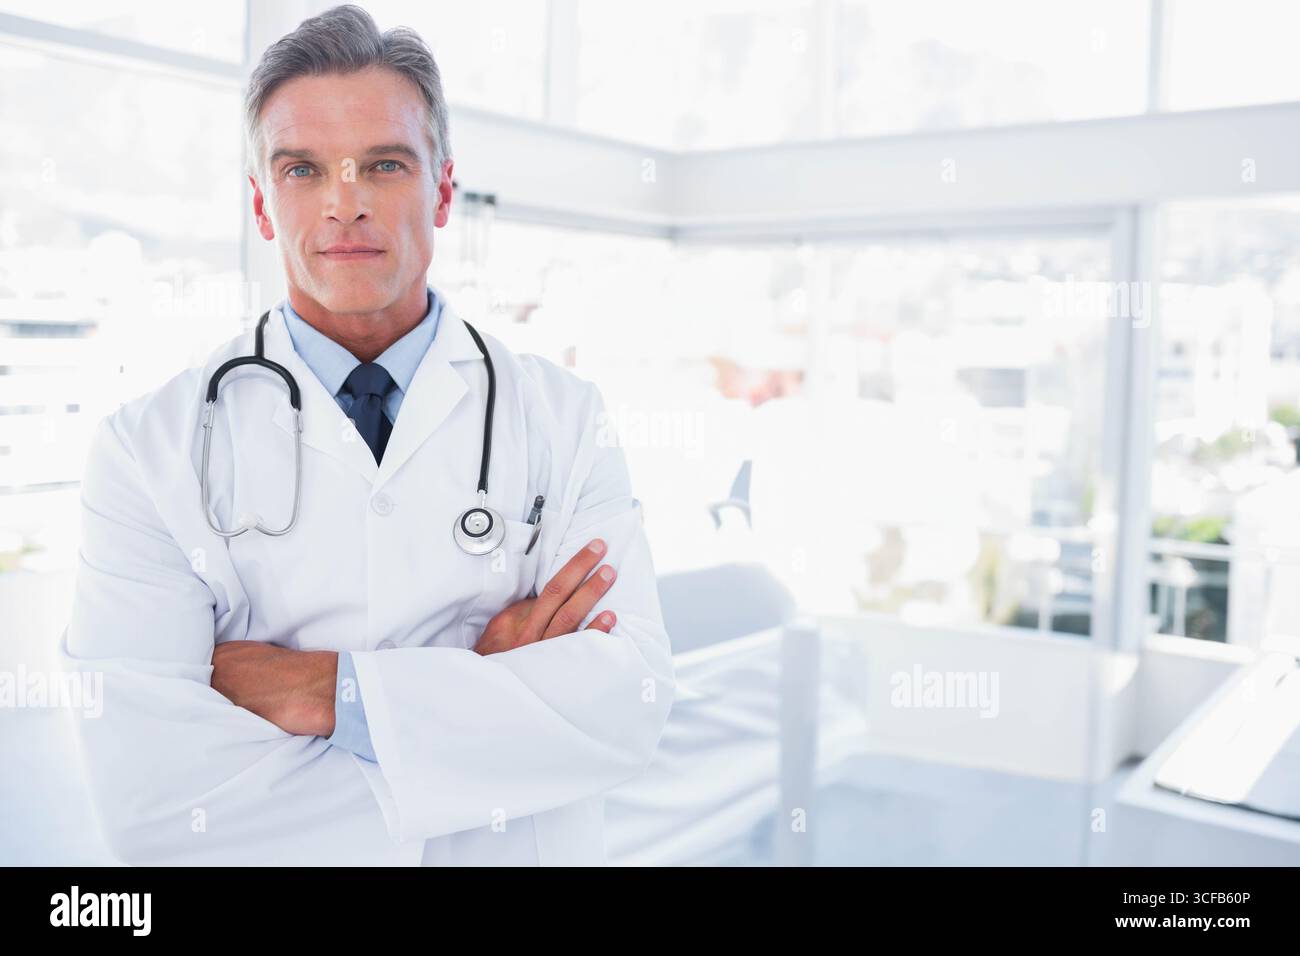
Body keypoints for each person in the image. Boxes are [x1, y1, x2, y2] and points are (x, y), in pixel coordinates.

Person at [58, 4, 674, 866]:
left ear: (444, 189)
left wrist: (334, 693)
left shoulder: (563, 419)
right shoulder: (146, 451)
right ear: (263, 206)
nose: (344, 203)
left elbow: (628, 701)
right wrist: (490, 702)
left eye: (383, 164)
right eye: (304, 168)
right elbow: (153, 806)